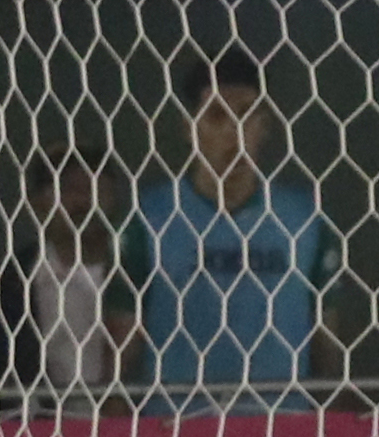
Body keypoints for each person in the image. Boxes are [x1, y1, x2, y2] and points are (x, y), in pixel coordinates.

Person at [114, 50, 340, 411]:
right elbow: (122, 348)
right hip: (177, 432)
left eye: (247, 115)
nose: (234, 131)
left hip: (281, 434)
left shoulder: (303, 218)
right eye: (218, 115)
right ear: (190, 129)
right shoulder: (150, 216)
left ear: (264, 126)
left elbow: (328, 345)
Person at [23, 149, 120, 400]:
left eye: (96, 188)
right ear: (36, 202)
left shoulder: (140, 277)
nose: (83, 200)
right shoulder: (8, 287)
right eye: (68, 188)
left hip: (127, 429)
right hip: (36, 432)